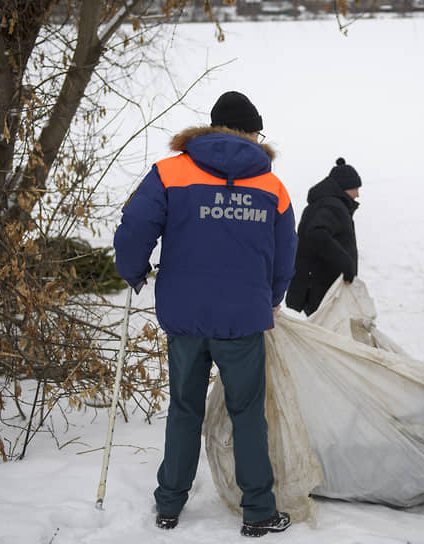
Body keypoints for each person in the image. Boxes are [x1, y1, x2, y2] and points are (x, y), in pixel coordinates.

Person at [113, 91, 296, 536]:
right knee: (248, 413)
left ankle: (169, 503)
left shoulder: (169, 172)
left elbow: (135, 226)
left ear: (214, 127)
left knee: (184, 409)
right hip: (243, 318)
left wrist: (133, 270)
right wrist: (270, 297)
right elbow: (286, 251)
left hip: (186, 316)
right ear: (251, 132)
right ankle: (258, 510)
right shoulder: (271, 185)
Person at [286, 157, 361, 316]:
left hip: (315, 286)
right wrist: (346, 264)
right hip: (323, 289)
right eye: (355, 188)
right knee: (328, 336)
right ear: (345, 187)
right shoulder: (333, 206)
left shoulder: (322, 204)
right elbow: (317, 234)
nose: (358, 194)